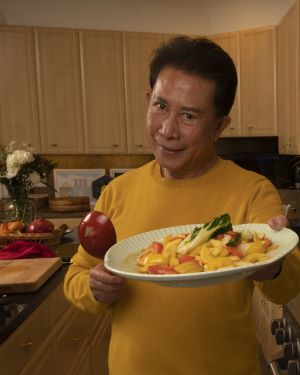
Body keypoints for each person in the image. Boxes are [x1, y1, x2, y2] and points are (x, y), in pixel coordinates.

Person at [64, 36, 300, 375]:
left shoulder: (252, 191)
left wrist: (273, 265)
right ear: (148, 100)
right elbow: (77, 274)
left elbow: (287, 285)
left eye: (189, 115)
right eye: (160, 106)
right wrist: (94, 288)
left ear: (219, 126)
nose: (167, 129)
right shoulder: (117, 192)